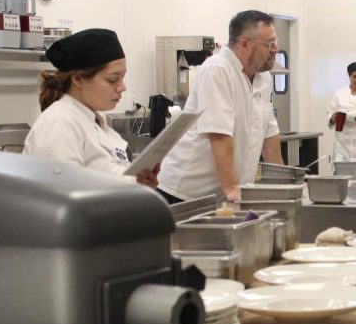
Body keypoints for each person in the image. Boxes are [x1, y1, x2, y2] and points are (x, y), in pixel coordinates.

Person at [157, 10, 283, 203]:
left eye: (275, 42)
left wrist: (283, 186)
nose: (275, 49)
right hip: (185, 193)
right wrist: (232, 189)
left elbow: (269, 135)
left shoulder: (263, 77)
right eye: (269, 44)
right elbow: (219, 134)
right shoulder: (217, 70)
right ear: (245, 44)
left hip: (223, 193)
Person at [24, 28, 159, 188]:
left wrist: (138, 182)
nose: (122, 87)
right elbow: (64, 195)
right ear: (79, 79)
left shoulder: (92, 121)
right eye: (112, 79)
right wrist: (130, 184)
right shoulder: (59, 123)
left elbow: (102, 176)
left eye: (122, 78)